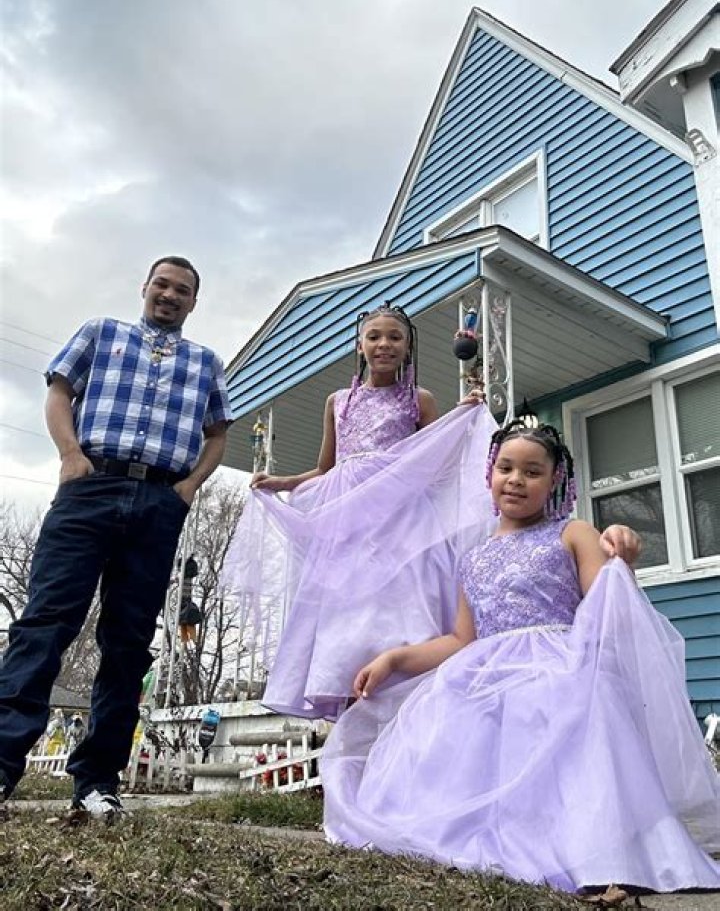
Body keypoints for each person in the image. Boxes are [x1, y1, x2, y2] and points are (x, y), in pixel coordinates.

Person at [322, 421, 720, 894]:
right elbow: (461, 639)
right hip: (481, 675)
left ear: (555, 481)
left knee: (559, 745)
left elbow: (609, 605)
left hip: (558, 668)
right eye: (506, 468)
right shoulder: (472, 557)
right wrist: (394, 658)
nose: (516, 479)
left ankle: (581, 848)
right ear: (489, 474)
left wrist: (621, 559)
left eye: (532, 472)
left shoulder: (573, 533)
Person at [222, 304, 640, 722]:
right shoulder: (338, 402)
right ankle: (351, 707)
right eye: (374, 337)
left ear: (408, 347)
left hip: (401, 519)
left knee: (400, 606)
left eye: (395, 337)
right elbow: (326, 468)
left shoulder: (418, 400)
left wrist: (463, 416)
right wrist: (284, 482)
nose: (384, 344)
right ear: (360, 345)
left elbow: (434, 455)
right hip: (349, 521)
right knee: (347, 615)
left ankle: (405, 699)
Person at [0, 256, 233, 820]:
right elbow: (60, 392)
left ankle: (97, 782)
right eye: (162, 285)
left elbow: (218, 433)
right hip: (91, 487)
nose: (170, 295)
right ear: (145, 288)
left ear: (194, 302)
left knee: (129, 642)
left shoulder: (205, 362)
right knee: (46, 623)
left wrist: (188, 488)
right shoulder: (101, 333)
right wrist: (70, 454)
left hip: (158, 501)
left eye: (182, 290)